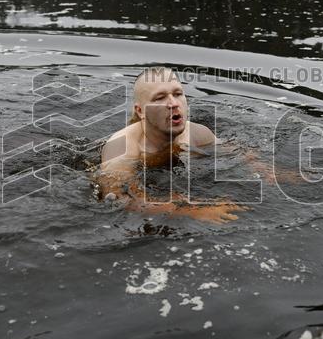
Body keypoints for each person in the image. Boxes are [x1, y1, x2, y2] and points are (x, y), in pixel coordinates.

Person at [98, 67, 244, 223]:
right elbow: (118, 199)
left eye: (178, 94)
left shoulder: (198, 133)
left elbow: (235, 152)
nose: (173, 103)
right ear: (140, 111)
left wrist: (264, 170)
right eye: (160, 98)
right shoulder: (122, 147)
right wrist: (195, 211)